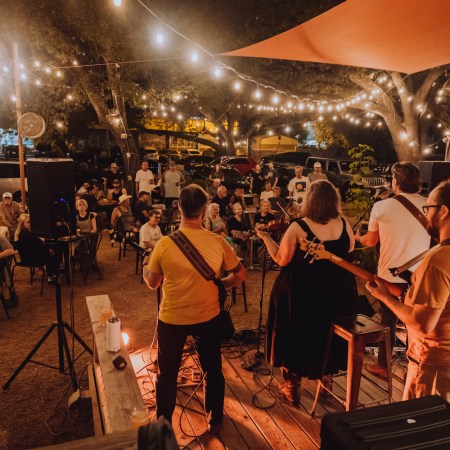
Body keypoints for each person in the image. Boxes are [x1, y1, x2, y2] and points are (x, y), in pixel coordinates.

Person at [143, 184, 247, 431]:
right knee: (212, 366)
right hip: (208, 315)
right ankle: (215, 416)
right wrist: (219, 284)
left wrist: (147, 265)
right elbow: (240, 276)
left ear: (179, 208)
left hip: (172, 318)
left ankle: (164, 420)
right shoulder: (217, 242)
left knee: (167, 372)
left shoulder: (164, 245)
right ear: (203, 210)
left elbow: (152, 283)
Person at [255, 180, 358, 406]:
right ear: (334, 201)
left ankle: (292, 388)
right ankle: (326, 382)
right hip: (336, 293)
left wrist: (266, 238)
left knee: (295, 332)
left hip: (302, 292)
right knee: (326, 334)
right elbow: (349, 248)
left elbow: (282, 259)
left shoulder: (298, 226)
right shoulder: (343, 223)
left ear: (309, 200)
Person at [365, 179, 450, 401]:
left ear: (443, 211)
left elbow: (422, 325)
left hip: (433, 367)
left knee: (421, 430)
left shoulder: (438, 260)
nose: (426, 214)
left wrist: (385, 297)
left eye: (429, 208)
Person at [356, 162, 431, 379]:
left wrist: (358, 237)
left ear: (396, 182)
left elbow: (370, 241)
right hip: (420, 275)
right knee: (413, 321)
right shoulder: (429, 205)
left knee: (388, 320)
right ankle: (413, 364)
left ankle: (383, 366)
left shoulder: (382, 206)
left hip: (389, 275)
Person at [14, 213, 56, 281]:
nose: (30, 223)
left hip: (25, 259)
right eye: (28, 222)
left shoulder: (20, 233)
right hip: (33, 260)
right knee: (54, 250)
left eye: (31, 221)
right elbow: (38, 246)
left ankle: (51, 273)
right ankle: (52, 275)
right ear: (22, 224)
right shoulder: (27, 235)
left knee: (49, 249)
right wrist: (48, 248)